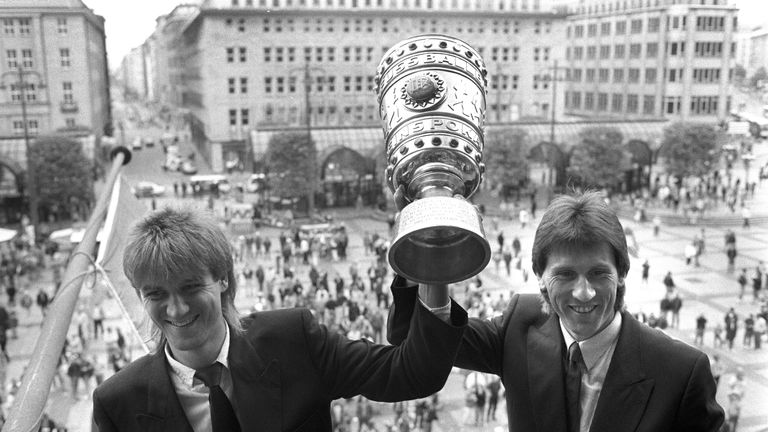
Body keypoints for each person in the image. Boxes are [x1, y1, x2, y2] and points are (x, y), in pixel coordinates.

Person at [93, 207, 467, 431]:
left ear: (223, 278)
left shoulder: (294, 340)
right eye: (156, 294)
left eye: (190, 288)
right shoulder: (118, 403)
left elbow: (413, 373)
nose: (175, 309)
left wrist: (431, 256)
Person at [389, 191, 724, 431]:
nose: (584, 292)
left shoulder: (680, 372)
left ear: (621, 274)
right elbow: (418, 341)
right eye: (565, 274)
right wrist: (422, 231)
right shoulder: (520, 324)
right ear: (540, 277)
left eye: (598, 273)